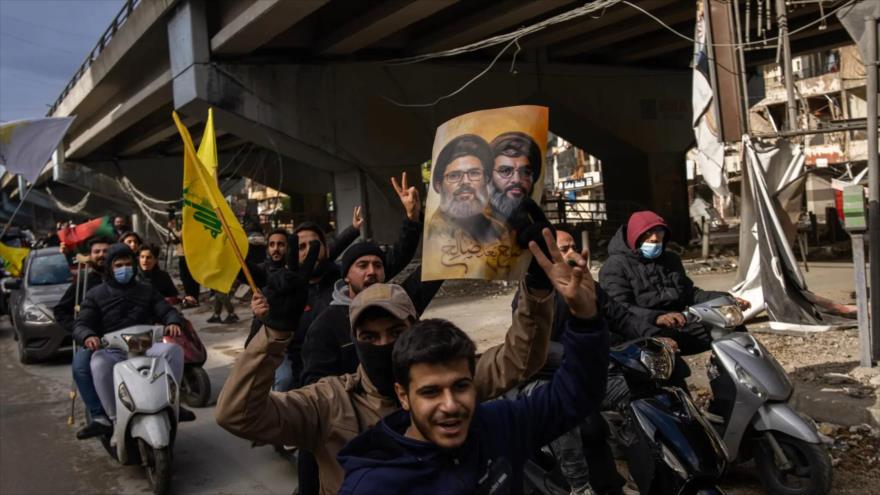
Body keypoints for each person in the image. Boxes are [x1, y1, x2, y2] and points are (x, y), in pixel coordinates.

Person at [216, 228, 559, 494]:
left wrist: (538, 289)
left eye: (395, 332)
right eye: (370, 337)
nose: (383, 344)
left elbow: (520, 358)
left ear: (413, 330)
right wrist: (273, 334)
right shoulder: (329, 402)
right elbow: (236, 413)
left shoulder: (445, 385)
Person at [336, 229, 608, 493]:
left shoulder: (498, 426)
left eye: (460, 386)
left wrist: (585, 317)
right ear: (403, 395)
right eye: (430, 392)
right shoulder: (375, 483)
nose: (450, 405)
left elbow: (574, 394)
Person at [300, 174, 424, 387]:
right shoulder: (326, 324)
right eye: (362, 265)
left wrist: (412, 219)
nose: (371, 272)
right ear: (346, 276)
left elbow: (406, 256)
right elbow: (315, 387)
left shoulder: (399, 307)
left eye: (377, 265)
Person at [73, 244, 193, 438]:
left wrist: (172, 321)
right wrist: (88, 336)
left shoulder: (147, 290)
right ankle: (110, 419)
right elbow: (81, 324)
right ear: (110, 268)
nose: (124, 268)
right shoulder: (95, 295)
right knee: (98, 363)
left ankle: (174, 403)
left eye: (128, 264)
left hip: (146, 347)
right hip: (113, 350)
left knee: (173, 351)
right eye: (119, 265)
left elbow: (166, 310)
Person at [599, 211, 750, 355]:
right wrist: (656, 317)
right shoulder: (615, 266)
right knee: (668, 357)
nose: (654, 238)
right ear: (634, 236)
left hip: (681, 324)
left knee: (731, 325)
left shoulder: (670, 259)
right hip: (643, 329)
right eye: (647, 233)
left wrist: (726, 300)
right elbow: (618, 310)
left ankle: (739, 376)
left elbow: (690, 293)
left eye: (659, 232)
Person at [424, 135, 519, 280]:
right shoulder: (436, 235)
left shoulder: (499, 229)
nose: (465, 182)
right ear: (438, 185)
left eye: (474, 173)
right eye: (454, 176)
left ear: (486, 180)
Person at [53, 236, 112, 438]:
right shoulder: (85, 282)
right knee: (80, 367)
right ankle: (99, 417)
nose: (102, 255)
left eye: (106, 251)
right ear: (91, 256)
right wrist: (80, 331)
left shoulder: (126, 278)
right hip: (94, 341)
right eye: (97, 252)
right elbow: (61, 311)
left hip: (128, 337)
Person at [488, 131, 542, 219]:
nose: (517, 180)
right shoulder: (473, 220)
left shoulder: (535, 220)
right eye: (505, 171)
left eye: (525, 172)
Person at [166, 216, 199, 308]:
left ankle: (193, 299)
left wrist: (172, 229)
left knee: (189, 279)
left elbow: (178, 238)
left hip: (187, 256)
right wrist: (171, 231)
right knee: (186, 279)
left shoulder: (186, 228)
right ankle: (191, 298)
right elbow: (174, 240)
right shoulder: (181, 229)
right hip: (183, 256)